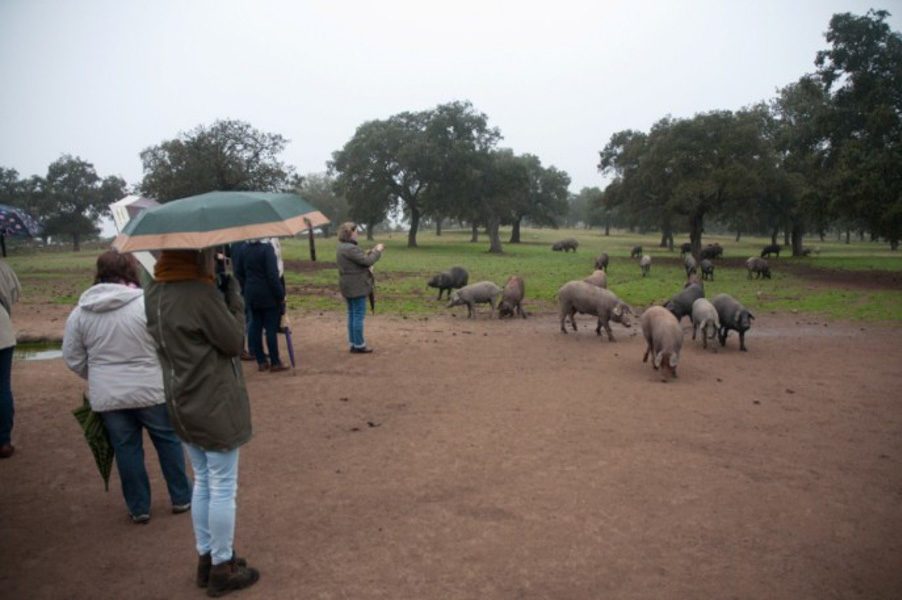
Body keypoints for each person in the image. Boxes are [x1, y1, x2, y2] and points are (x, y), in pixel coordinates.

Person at [144, 249, 260, 595]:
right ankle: (222, 567)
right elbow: (233, 340)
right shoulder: (198, 294)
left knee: (204, 482)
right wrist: (231, 293)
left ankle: (207, 559)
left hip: (181, 402)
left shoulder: (153, 291)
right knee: (223, 486)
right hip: (212, 402)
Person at [61, 251, 191, 523]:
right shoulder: (146, 304)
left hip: (109, 396)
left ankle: (139, 508)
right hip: (152, 389)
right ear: (131, 270)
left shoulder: (81, 313)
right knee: (168, 442)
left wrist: (97, 375)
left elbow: (72, 358)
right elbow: (168, 344)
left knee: (126, 449)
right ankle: (181, 498)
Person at [235, 239, 287, 372]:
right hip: (268, 293)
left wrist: (248, 285)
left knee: (255, 326)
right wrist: (280, 295)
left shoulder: (243, 249)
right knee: (270, 328)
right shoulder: (267, 249)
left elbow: (239, 272)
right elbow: (272, 275)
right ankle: (275, 361)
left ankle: (261, 361)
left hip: (251, 292)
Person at [336, 222, 384, 353]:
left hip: (347, 286)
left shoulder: (342, 248)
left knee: (352, 314)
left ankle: (354, 343)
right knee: (357, 315)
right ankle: (359, 345)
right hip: (356, 287)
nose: (357, 233)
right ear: (350, 233)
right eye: (355, 231)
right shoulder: (351, 249)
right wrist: (377, 251)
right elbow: (367, 262)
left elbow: (358, 262)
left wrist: (370, 252)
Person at [0, 258, 20, 459]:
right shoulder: (2, 266)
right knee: (2, 386)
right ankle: (3, 441)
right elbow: (15, 292)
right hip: (2, 328)